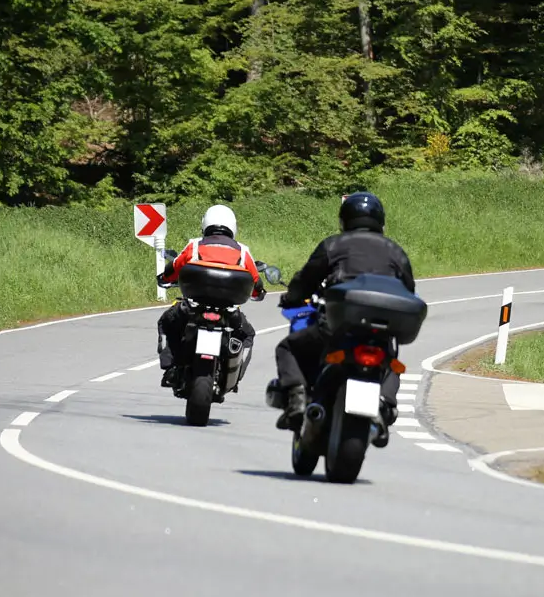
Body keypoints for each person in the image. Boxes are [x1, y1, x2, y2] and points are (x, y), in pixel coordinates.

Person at [274, 191, 415, 446]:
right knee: (391, 363)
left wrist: (292, 297)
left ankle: (296, 397)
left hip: (337, 330)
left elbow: (306, 279)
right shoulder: (396, 251)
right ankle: (384, 405)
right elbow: (409, 289)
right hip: (380, 332)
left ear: (345, 219)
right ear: (380, 220)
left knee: (288, 347)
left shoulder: (334, 244)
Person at [156, 204, 266, 395]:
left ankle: (170, 366)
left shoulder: (195, 245)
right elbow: (255, 282)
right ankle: (235, 375)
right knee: (247, 334)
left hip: (194, 308)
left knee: (167, 321)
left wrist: (164, 279)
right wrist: (258, 293)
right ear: (233, 226)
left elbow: (174, 267)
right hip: (229, 312)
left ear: (205, 224)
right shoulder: (243, 251)